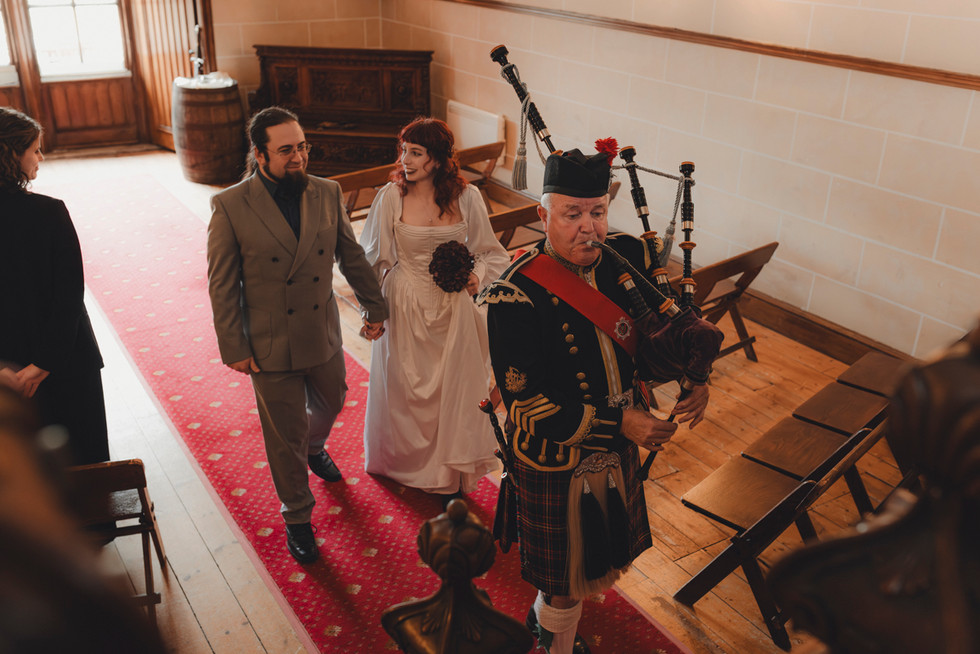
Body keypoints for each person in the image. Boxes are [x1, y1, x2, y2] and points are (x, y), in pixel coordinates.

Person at [479, 147, 710, 653]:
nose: (589, 228)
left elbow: (657, 342)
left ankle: (551, 629)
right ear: (543, 216)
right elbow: (527, 405)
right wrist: (620, 424)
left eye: (598, 212)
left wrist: (697, 374)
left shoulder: (619, 266)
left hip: (613, 456)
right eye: (572, 214)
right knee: (563, 582)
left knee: (593, 567)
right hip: (558, 459)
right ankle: (555, 640)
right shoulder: (514, 294)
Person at [207, 106, 387, 564]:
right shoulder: (230, 205)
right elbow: (223, 283)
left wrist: (374, 304)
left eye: (302, 146)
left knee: (333, 399)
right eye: (286, 149)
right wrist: (234, 346)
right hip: (267, 341)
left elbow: (350, 255)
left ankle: (315, 445)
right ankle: (298, 518)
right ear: (259, 153)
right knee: (282, 435)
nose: (298, 157)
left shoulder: (327, 192)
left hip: (320, 328)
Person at [359, 117, 510, 506]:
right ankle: (404, 462)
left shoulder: (467, 197)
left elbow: (491, 252)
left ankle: (447, 473)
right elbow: (370, 260)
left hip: (454, 309)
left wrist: (475, 276)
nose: (405, 160)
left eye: (416, 152)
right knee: (405, 389)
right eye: (403, 150)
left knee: (453, 390)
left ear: (439, 159)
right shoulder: (391, 197)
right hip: (405, 304)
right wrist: (371, 311)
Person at [0, 107, 110, 466]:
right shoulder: (49, 213)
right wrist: (43, 364)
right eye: (34, 149)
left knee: (25, 479)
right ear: (12, 154)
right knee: (86, 465)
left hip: (6, 369)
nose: (40, 157)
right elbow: (69, 296)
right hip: (67, 362)